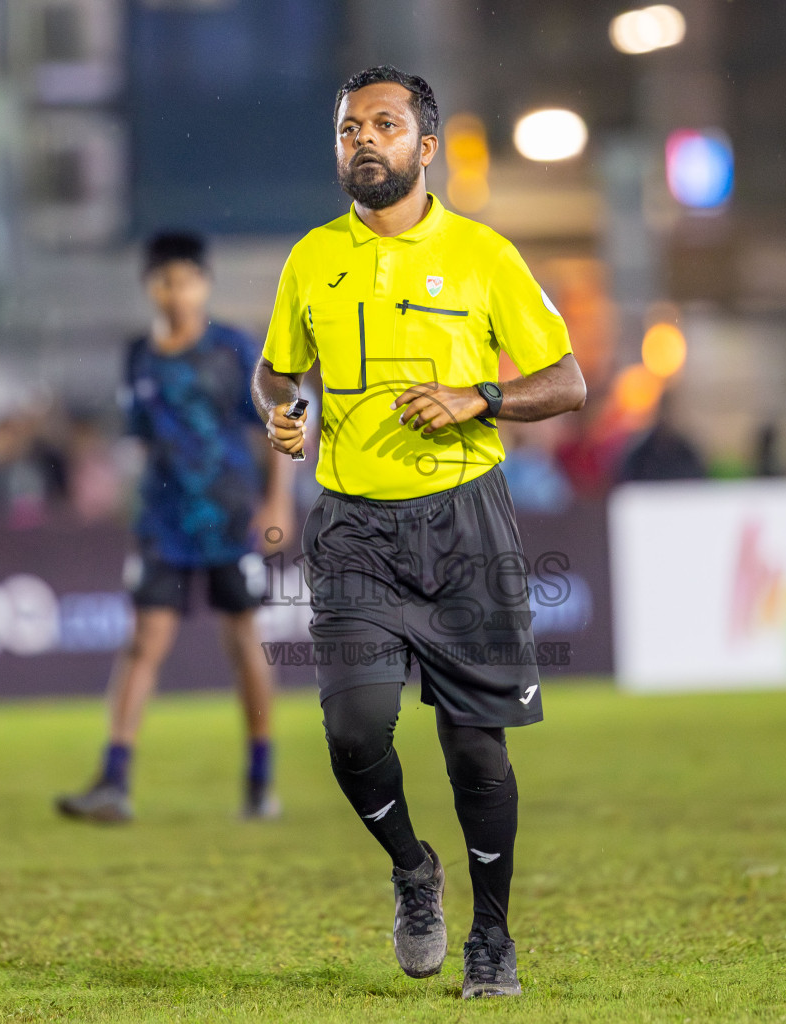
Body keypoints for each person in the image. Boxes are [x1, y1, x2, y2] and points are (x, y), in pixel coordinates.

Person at [253, 66, 587, 999]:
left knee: (477, 748)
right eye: (349, 127)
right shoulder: (311, 258)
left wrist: (479, 396)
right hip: (354, 526)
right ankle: (411, 868)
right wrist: (283, 412)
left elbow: (566, 381)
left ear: (424, 147)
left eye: (384, 125)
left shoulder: (485, 256)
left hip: (467, 526)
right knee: (355, 732)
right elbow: (278, 375)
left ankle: (493, 938)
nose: (362, 139)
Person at [56, 231, 293, 824]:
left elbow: (283, 424)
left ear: (204, 284)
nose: (176, 292)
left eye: (186, 279)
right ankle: (114, 780)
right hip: (164, 523)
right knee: (143, 644)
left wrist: (278, 502)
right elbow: (137, 438)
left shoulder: (233, 349)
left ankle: (260, 778)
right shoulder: (138, 354)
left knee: (243, 643)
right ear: (149, 287)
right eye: (164, 280)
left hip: (230, 518)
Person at [619, 383, 707, 482]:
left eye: (672, 411)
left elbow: (699, 481)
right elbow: (629, 484)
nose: (668, 418)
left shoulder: (687, 451)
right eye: (666, 411)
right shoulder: (641, 454)